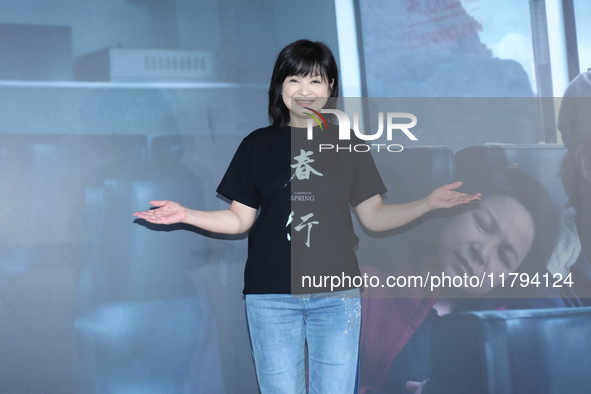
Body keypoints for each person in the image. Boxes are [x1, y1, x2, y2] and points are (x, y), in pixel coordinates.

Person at [134, 39, 479, 393]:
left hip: (336, 296)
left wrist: (427, 204)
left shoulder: (347, 143)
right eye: (294, 80)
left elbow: (373, 217)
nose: (304, 91)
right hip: (270, 298)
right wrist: (186, 214)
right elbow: (239, 220)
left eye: (315, 80)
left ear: (330, 87)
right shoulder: (257, 145)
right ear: (279, 86)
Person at [359, 166, 559, 394]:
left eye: (503, 256)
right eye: (482, 225)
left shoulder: (503, 333)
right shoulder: (364, 289)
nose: (482, 253)